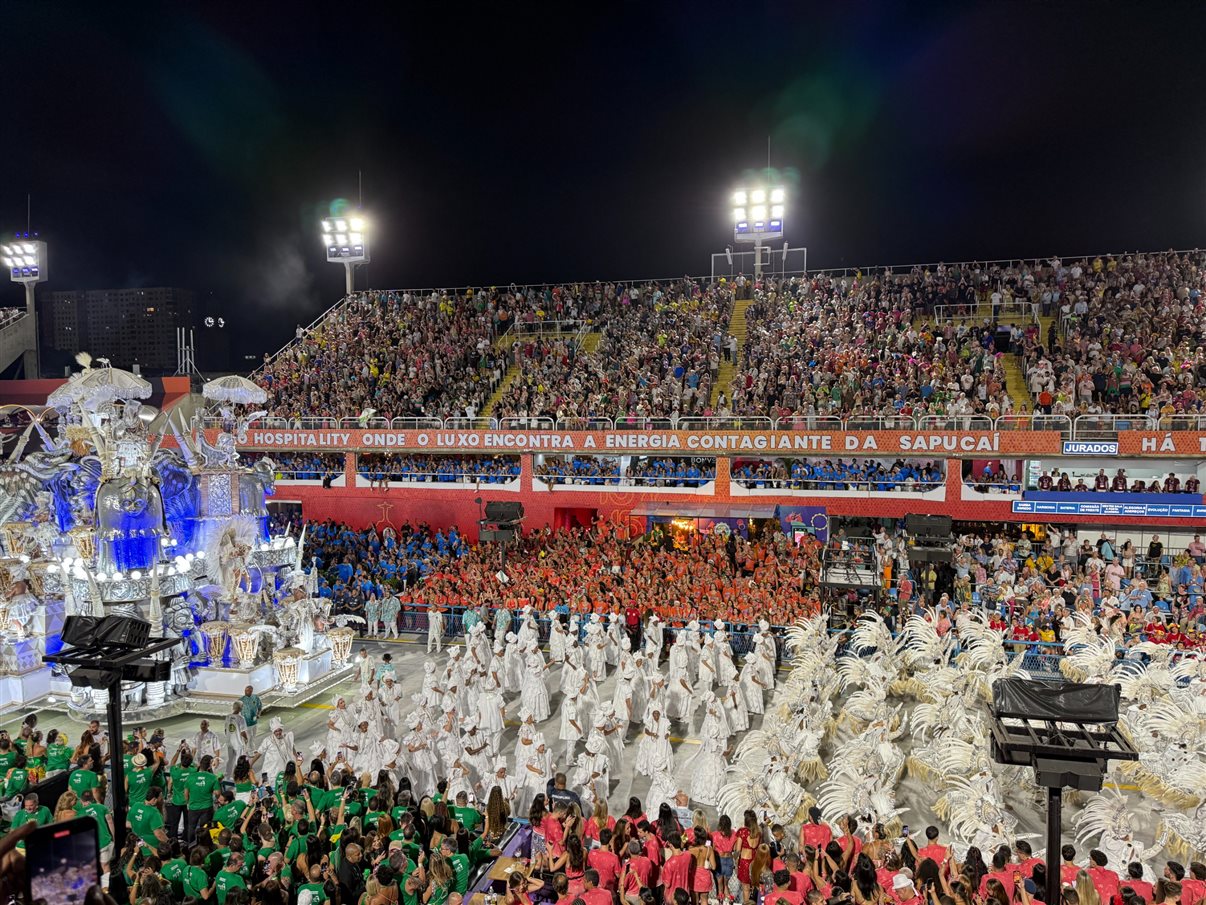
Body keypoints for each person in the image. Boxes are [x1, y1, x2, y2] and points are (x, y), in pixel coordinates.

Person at [223, 701, 249, 780]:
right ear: (240, 708)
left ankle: (227, 776)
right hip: (238, 743)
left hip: (229, 742)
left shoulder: (227, 717)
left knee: (230, 760)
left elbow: (225, 730)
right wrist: (246, 739)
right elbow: (242, 732)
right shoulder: (241, 718)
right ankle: (237, 776)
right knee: (238, 760)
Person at [239, 685, 264, 750]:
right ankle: (247, 750)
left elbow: (260, 707)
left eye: (247, 691)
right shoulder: (241, 700)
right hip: (245, 723)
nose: (246, 692)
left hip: (254, 721)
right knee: (248, 737)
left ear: (251, 691)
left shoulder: (255, 698)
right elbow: (237, 711)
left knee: (253, 736)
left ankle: (252, 748)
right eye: (245, 690)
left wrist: (258, 714)